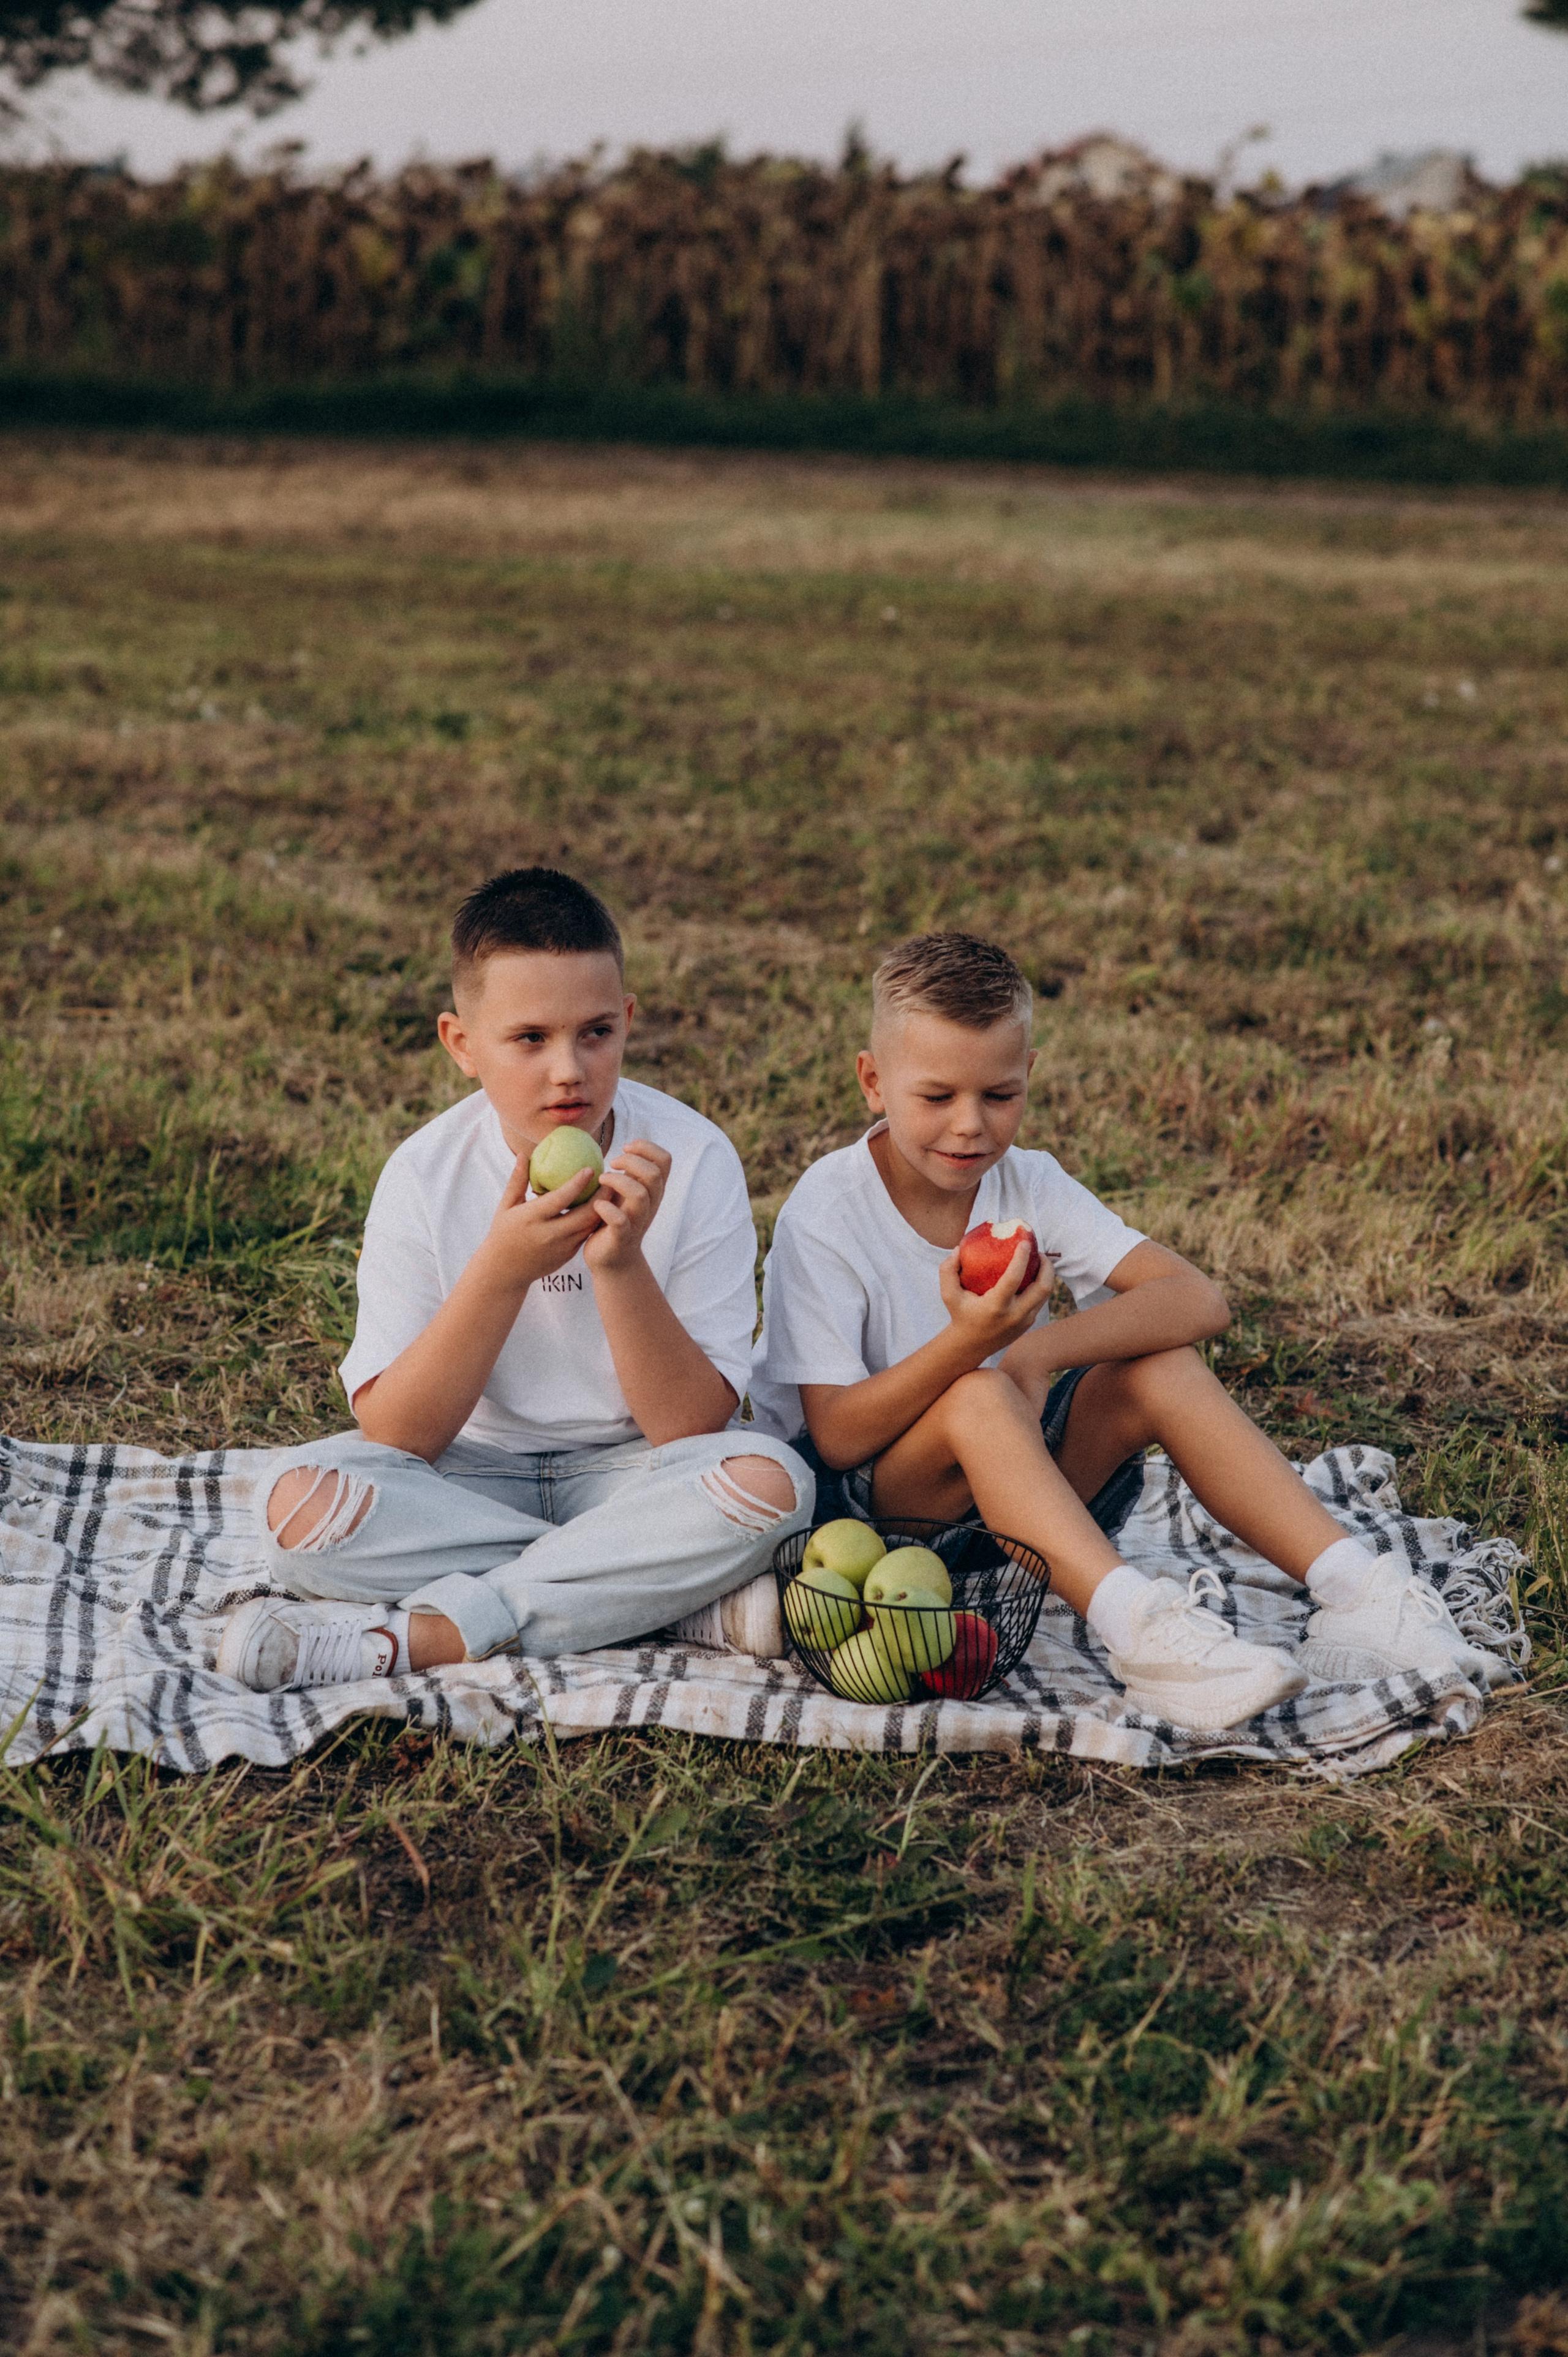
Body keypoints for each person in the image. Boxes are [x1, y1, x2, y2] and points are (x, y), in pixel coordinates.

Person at [747, 930, 1494, 1732]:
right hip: (872, 1522)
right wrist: (973, 1346)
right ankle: (1144, 1636)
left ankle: (1359, 1596)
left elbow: (1195, 1299)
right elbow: (838, 1435)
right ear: (873, 1081)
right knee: (974, 1396)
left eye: (999, 1096)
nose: (970, 1126)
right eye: (937, 1097)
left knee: (1157, 1368)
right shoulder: (830, 1209)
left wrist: (1037, 1349)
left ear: (1029, 1077)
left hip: (1020, 1505)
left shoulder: (1027, 1181)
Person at [216, 867, 812, 1692]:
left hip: (632, 1476)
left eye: (595, 1033)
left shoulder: (693, 1158)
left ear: (628, 1023)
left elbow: (693, 1426)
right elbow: (400, 1434)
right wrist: (499, 1273)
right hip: (464, 1478)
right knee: (294, 1506)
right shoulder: (425, 1173)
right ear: (462, 1044)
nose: (568, 1069)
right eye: (530, 1039)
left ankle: (425, 1638)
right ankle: (658, 1599)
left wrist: (619, 1264)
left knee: (773, 1482)